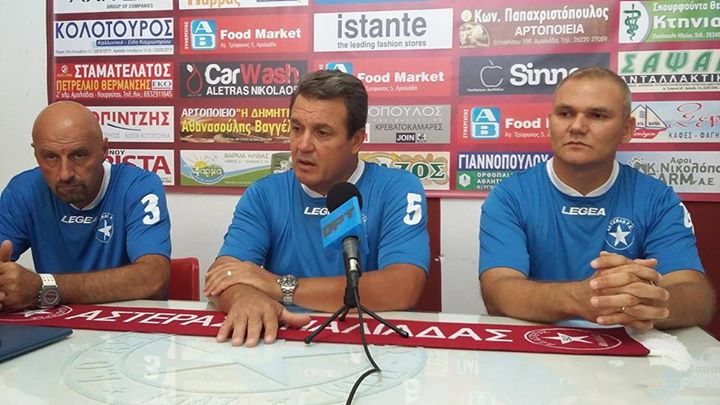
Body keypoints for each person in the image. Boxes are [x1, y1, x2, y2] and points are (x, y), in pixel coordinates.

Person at [204, 69, 430, 346]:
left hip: (370, 345)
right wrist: (245, 296)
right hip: (284, 343)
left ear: (356, 140)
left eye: (322, 133)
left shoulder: (397, 187)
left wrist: (279, 286)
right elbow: (223, 273)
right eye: (297, 128)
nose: (303, 145)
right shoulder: (265, 193)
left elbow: (402, 288)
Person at [479, 67, 715, 331]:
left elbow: (696, 295)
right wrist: (581, 298)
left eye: (597, 115)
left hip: (628, 349)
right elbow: (497, 291)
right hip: (536, 347)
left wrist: (643, 301)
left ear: (626, 129)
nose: (577, 127)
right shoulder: (510, 196)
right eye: (565, 113)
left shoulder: (657, 199)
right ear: (550, 121)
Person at [0, 101, 171, 311]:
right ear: (36, 154)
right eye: (50, 157)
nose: (65, 173)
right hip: (52, 324)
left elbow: (153, 280)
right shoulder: (23, 190)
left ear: (104, 150)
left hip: (125, 324)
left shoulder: (137, 186)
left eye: (79, 155)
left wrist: (44, 288)